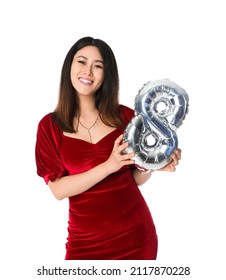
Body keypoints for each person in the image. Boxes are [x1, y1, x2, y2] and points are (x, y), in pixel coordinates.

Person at [35, 36, 181, 260]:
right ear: (69, 67)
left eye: (98, 66)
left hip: (136, 238)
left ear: (107, 74)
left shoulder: (126, 117)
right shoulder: (49, 126)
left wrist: (152, 164)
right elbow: (58, 190)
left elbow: (133, 179)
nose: (88, 72)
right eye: (81, 62)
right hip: (83, 244)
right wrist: (107, 166)